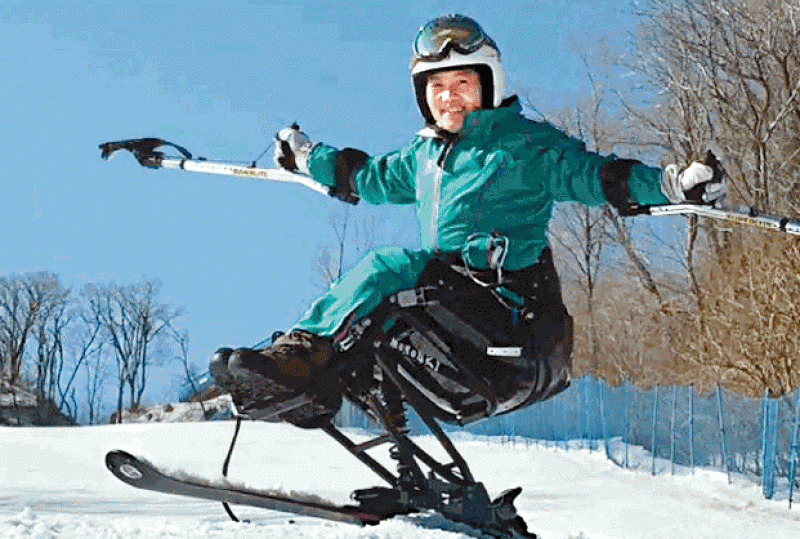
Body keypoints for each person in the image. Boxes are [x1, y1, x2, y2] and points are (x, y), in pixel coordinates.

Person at [209, 14, 724, 425]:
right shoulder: (424, 158)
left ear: (488, 85)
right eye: (436, 86)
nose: (449, 95)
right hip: (455, 324)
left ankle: (299, 358)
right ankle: (328, 400)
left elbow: (595, 176)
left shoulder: (523, 145)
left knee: (392, 266)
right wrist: (305, 155)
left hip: (512, 327)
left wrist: (672, 184)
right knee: (379, 322)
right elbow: (365, 177)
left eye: (461, 82)